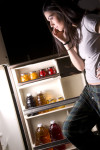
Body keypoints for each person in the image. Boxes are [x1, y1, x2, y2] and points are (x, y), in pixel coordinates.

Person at [42, 0, 100, 149]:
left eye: (51, 18)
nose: (51, 25)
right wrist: (66, 42)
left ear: (62, 11)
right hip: (91, 92)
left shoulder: (88, 21)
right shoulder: (76, 32)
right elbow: (80, 67)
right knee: (70, 129)